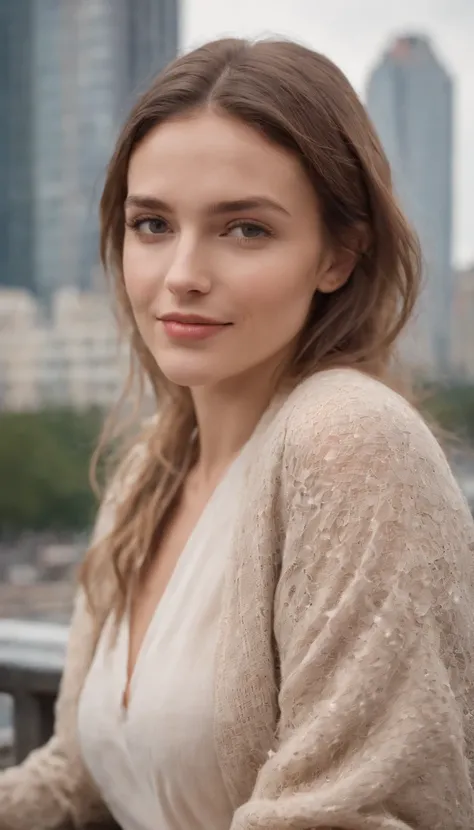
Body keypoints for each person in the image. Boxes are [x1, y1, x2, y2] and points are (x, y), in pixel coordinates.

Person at [1, 36, 474, 830]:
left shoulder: (348, 442)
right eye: (151, 224)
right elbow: (77, 781)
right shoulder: (149, 471)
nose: (182, 271)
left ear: (339, 255)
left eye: (244, 229)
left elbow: (342, 815)